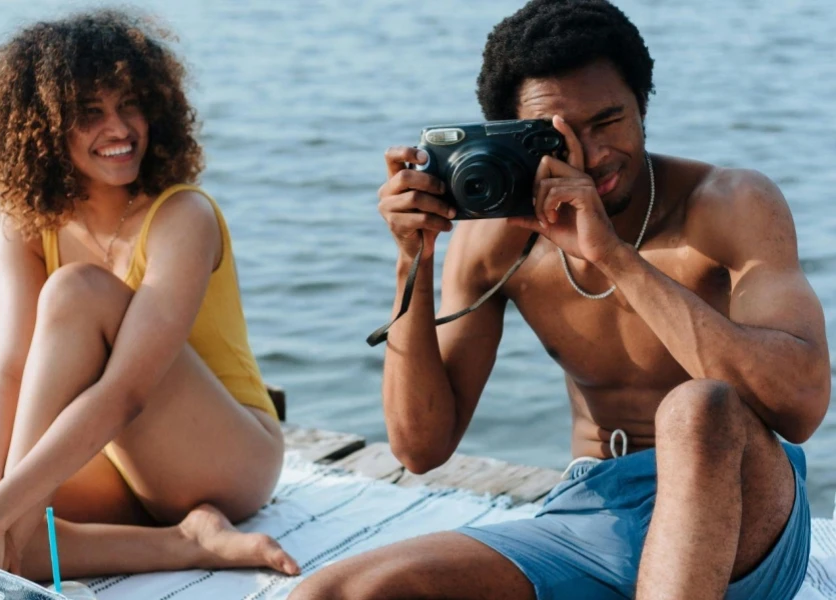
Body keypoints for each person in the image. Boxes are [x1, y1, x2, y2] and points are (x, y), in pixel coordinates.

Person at [290, 1, 830, 599]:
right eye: (559, 136)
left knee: (698, 408)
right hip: (591, 513)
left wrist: (611, 255)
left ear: (643, 105)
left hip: (740, 518)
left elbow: (801, 406)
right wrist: (411, 258)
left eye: (609, 122)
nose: (593, 155)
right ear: (514, 136)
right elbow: (420, 448)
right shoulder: (497, 241)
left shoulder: (731, 203)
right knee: (337, 593)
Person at [0, 10, 300, 580]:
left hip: (225, 457)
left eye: (130, 104)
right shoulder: (27, 224)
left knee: (77, 291)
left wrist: (1, 511)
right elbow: (8, 371)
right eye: (89, 113)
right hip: (113, 455)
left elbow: (127, 390)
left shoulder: (183, 215)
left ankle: (16, 526)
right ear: (42, 127)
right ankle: (188, 545)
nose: (119, 128)